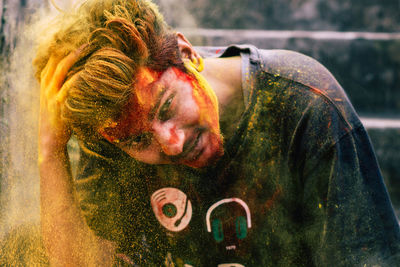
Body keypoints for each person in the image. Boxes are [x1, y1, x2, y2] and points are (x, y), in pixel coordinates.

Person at [34, 0, 400, 266]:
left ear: (187, 54)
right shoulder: (114, 132)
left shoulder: (303, 101)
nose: (171, 143)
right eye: (138, 141)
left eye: (167, 107)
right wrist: (49, 151)